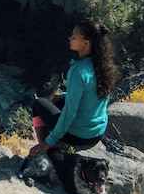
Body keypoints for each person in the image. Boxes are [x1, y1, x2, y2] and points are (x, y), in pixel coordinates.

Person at [29, 20, 117, 158]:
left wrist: (48, 142)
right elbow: (93, 94)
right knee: (58, 102)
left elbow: (70, 113)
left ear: (86, 43)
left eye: (74, 37)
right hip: (97, 132)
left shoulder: (78, 72)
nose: (70, 39)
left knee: (38, 104)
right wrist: (65, 95)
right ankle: (51, 142)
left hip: (79, 136)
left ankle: (46, 150)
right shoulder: (102, 65)